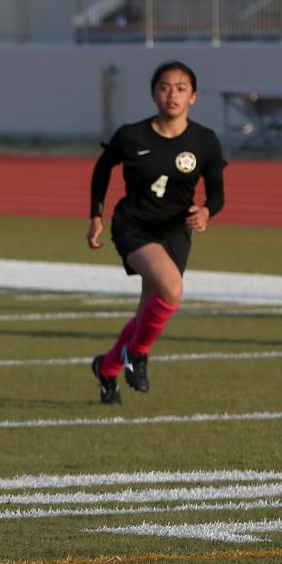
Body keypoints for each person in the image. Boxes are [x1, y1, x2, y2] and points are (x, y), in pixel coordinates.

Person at [88, 60, 226, 404]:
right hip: (134, 224)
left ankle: (107, 368)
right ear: (153, 93)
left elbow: (218, 194)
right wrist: (96, 215)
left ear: (193, 96)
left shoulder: (204, 141)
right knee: (172, 288)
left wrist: (207, 212)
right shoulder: (132, 135)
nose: (172, 94)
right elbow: (102, 170)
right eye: (165, 87)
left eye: (181, 88)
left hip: (176, 230)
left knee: (150, 307)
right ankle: (137, 355)